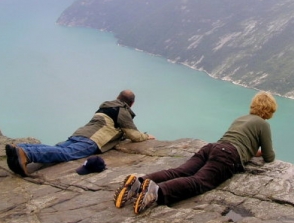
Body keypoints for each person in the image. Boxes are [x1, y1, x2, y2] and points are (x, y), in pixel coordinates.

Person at [114, 91, 277, 214]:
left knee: (180, 171)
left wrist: (250, 151)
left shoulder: (241, 118)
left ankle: (140, 181)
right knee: (199, 181)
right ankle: (156, 192)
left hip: (212, 147)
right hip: (228, 156)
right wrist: (260, 152)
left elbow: (236, 140)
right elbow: (269, 157)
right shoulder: (263, 124)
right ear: (270, 110)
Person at [5, 89, 155, 177]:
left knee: (60, 148)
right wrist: (146, 136)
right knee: (66, 154)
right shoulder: (122, 110)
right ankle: (27, 154)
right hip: (92, 140)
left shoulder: (107, 106)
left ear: (118, 97)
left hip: (80, 133)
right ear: (132, 103)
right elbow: (133, 135)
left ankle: (19, 149)